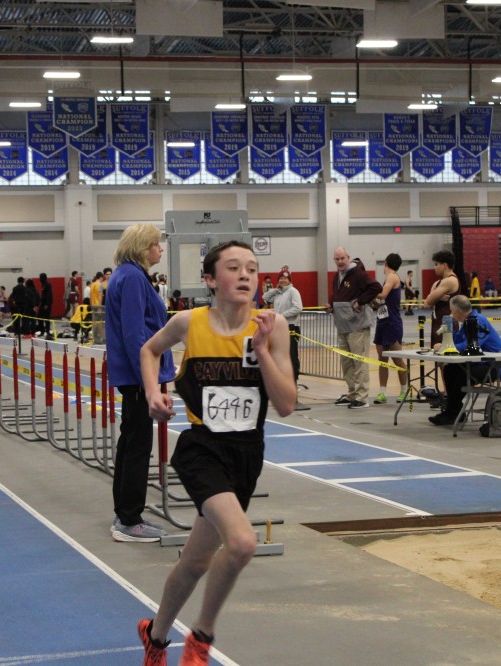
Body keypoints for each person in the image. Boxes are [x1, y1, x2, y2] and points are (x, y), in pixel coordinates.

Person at [136, 240, 295, 664]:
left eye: (252, 268)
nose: (245, 275)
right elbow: (149, 350)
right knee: (241, 543)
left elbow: (286, 404)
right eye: (233, 267)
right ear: (209, 279)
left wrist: (261, 350)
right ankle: (201, 638)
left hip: (246, 454)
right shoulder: (189, 323)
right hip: (201, 448)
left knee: (195, 561)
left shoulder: (273, 326)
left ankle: (155, 636)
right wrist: (153, 393)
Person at [106, 224, 173, 543]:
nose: (161, 249)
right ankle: (129, 519)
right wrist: (149, 383)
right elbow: (134, 333)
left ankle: (125, 513)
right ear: (143, 247)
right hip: (137, 376)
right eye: (156, 244)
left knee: (130, 442)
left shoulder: (126, 275)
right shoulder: (132, 277)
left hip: (135, 374)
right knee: (137, 446)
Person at [428, 295, 501, 426]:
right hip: (481, 363)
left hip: (496, 365)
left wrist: (443, 347)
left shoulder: (477, 320)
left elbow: (470, 345)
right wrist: (450, 328)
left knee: (461, 375)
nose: (450, 313)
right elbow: (456, 342)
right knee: (450, 369)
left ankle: (453, 412)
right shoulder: (466, 322)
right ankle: (454, 411)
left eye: (451, 310)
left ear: (457, 311)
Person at [330, 248, 381, 409]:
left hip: (357, 326)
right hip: (342, 326)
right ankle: (352, 393)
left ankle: (362, 397)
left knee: (359, 362)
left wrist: (360, 301)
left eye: (342, 258)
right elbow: (338, 296)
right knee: (347, 363)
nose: (340, 262)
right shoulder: (337, 276)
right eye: (337, 259)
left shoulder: (358, 274)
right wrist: (331, 306)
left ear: (348, 258)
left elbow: (376, 287)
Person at [263, 269, 308, 410]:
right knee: (280, 360)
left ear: (290, 280)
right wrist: (275, 290)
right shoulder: (278, 293)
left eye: (285, 278)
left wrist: (281, 316)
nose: (283, 280)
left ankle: (294, 395)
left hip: (291, 328)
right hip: (279, 329)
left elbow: (298, 307)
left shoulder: (293, 291)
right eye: (281, 278)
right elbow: (265, 297)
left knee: (292, 360)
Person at [372, 253, 409, 405]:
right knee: (382, 361)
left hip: (392, 323)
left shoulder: (392, 277)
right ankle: (382, 392)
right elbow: (381, 302)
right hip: (382, 322)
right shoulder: (388, 279)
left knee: (398, 360)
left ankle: (404, 390)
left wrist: (367, 290)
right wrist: (369, 299)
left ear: (386, 263)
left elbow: (382, 294)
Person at [423, 249, 461, 347]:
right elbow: (426, 304)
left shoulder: (450, 280)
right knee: (436, 351)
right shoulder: (437, 283)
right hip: (437, 321)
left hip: (448, 323)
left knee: (445, 352)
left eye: (436, 264)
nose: (434, 267)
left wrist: (434, 299)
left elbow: (429, 300)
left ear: (444, 265)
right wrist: (439, 298)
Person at [37, 273, 54, 337]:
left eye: (40, 277)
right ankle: (42, 331)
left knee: (47, 318)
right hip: (43, 303)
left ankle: (47, 331)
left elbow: (49, 295)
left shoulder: (47, 284)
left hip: (47, 304)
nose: (39, 279)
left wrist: (47, 304)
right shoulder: (43, 285)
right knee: (40, 317)